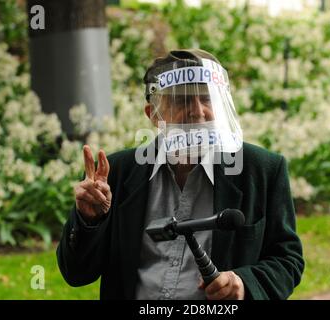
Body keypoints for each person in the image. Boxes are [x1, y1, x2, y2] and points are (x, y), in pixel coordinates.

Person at [57, 49, 304, 300]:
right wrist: (88, 220)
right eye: (182, 100)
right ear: (153, 114)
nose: (198, 111)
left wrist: (244, 284)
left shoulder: (261, 170)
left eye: (207, 99)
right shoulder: (115, 173)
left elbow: (288, 260)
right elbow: (77, 274)